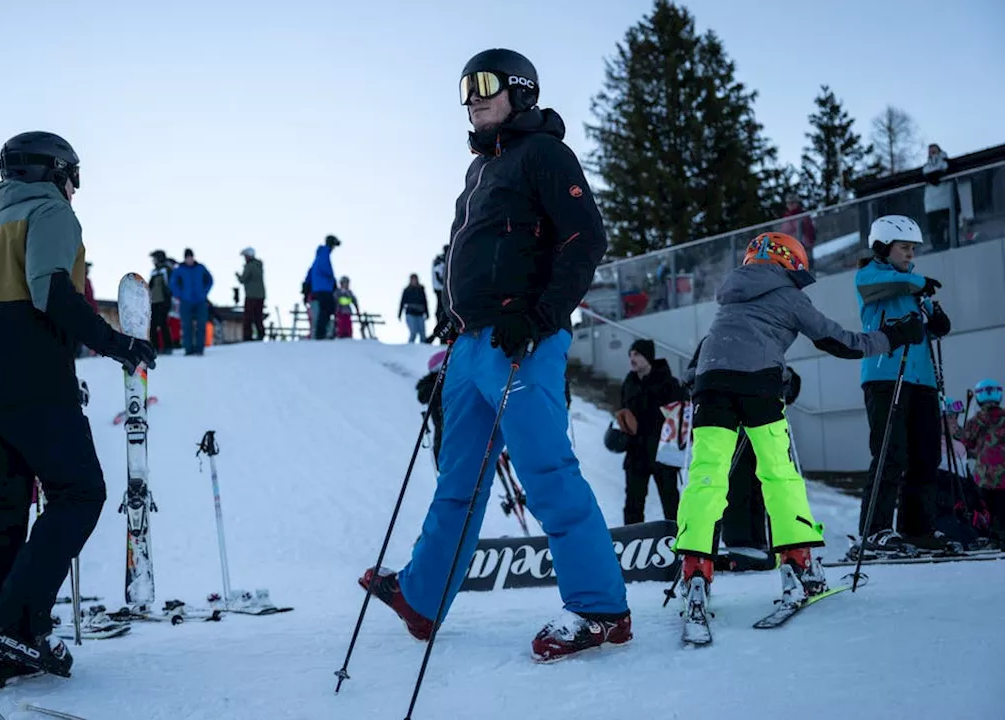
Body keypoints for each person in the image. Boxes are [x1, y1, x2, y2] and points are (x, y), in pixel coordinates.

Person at [359, 48, 629, 664]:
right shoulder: (478, 173)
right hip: (472, 344)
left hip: (523, 342)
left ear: (521, 91)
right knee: (458, 480)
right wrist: (454, 321)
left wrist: (538, 316)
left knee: (546, 473)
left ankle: (600, 609)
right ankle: (422, 599)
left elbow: (586, 238)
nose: (471, 97)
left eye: (484, 84)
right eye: (464, 87)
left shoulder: (544, 155)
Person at [0, 131, 157, 689]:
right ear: (53, 172)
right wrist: (121, 344)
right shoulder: (51, 213)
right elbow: (51, 294)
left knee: (4, 508)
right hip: (33, 380)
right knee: (80, 492)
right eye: (73, 175)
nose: (74, 188)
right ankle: (12, 622)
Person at [674, 232, 924, 620]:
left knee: (707, 474)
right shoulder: (790, 297)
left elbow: (705, 357)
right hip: (758, 385)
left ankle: (695, 569)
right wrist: (895, 335)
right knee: (778, 473)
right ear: (792, 262)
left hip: (710, 385)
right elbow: (843, 342)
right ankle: (798, 562)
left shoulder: (729, 301)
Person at [853, 215, 953, 553]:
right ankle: (874, 528)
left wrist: (935, 317)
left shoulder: (914, 285)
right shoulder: (869, 275)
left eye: (913, 249)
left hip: (921, 378)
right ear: (882, 247)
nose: (910, 254)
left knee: (925, 455)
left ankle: (916, 527)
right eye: (904, 248)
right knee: (890, 453)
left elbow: (931, 322)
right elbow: (880, 287)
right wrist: (918, 284)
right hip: (885, 374)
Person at [715, 366, 801, 572]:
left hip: (764, 424)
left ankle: (766, 541)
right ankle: (739, 542)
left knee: (766, 484)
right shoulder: (720, 347)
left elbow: (790, 380)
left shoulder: (764, 342)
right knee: (737, 483)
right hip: (734, 425)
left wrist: (786, 384)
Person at [613, 338, 682, 525]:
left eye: (636, 354)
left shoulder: (669, 383)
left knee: (671, 502)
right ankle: (632, 542)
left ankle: (677, 541)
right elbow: (622, 410)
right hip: (636, 452)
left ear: (648, 357)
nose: (632, 358)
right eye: (630, 354)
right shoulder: (629, 382)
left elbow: (680, 416)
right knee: (633, 504)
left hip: (663, 452)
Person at [959, 379, 1005, 542]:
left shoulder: (976, 420)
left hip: (984, 476)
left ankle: (991, 538)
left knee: (987, 509)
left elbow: (965, 443)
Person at [169, 248, 213, 355]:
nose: (190, 260)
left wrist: (204, 292)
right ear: (185, 258)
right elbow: (173, 283)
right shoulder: (179, 269)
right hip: (186, 301)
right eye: (187, 258)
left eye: (191, 257)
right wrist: (179, 295)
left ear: (193, 257)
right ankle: (188, 349)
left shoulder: (201, 268)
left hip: (200, 301)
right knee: (186, 325)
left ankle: (199, 349)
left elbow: (210, 280)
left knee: (201, 325)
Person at [304, 235, 340, 339]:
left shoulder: (320, 255)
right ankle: (322, 333)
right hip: (323, 288)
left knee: (325, 310)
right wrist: (332, 280)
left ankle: (322, 332)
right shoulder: (324, 253)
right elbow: (325, 268)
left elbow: (311, 272)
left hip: (319, 288)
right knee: (327, 309)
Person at [236, 247, 266, 341]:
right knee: (258, 316)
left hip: (251, 295)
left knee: (248, 317)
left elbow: (243, 279)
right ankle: (261, 334)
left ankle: (247, 337)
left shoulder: (249, 266)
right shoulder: (259, 265)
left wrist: (237, 275)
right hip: (261, 295)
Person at [148, 250, 174, 353]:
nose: (153, 260)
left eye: (154, 258)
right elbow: (150, 286)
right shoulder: (154, 271)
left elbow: (170, 285)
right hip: (154, 301)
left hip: (164, 300)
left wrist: (169, 297)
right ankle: (155, 347)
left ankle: (168, 347)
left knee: (163, 323)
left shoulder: (167, 270)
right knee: (152, 324)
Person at [399, 273, 430, 343]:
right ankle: (410, 347)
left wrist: (427, 313)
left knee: (422, 333)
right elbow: (402, 302)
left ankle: (423, 348)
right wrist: (399, 314)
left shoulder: (421, 289)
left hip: (420, 313)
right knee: (413, 332)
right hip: (410, 313)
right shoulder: (407, 290)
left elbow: (425, 302)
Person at [431, 246, 448, 334]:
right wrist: (446, 284)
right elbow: (438, 276)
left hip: (440, 288)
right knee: (442, 309)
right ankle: (440, 332)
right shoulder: (440, 261)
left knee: (443, 309)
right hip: (440, 289)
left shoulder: (440, 261)